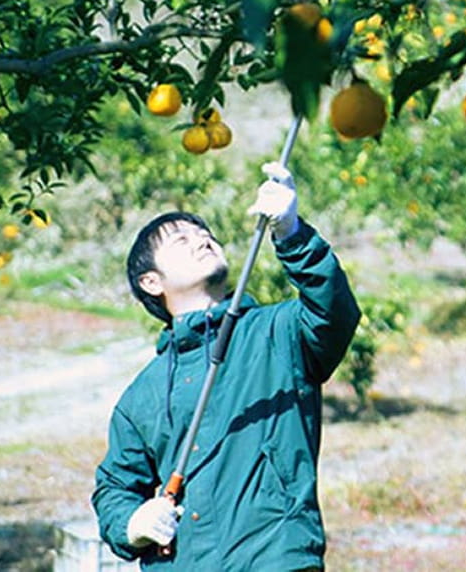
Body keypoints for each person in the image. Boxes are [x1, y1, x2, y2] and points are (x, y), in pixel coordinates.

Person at [92, 161, 361, 571]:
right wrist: (134, 523)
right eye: (182, 241)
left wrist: (292, 235)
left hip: (275, 559)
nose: (203, 242)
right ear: (151, 282)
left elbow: (335, 311)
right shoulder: (141, 396)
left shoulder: (278, 334)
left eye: (206, 237)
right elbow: (114, 487)